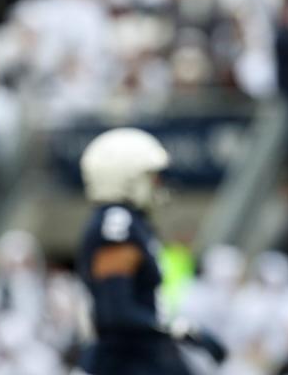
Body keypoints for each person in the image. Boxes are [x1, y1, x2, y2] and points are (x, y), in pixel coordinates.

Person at [77, 127, 227, 375]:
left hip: (141, 355)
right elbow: (116, 310)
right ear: (125, 176)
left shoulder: (133, 222)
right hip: (126, 360)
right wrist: (179, 329)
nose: (158, 184)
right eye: (152, 176)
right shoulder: (116, 222)